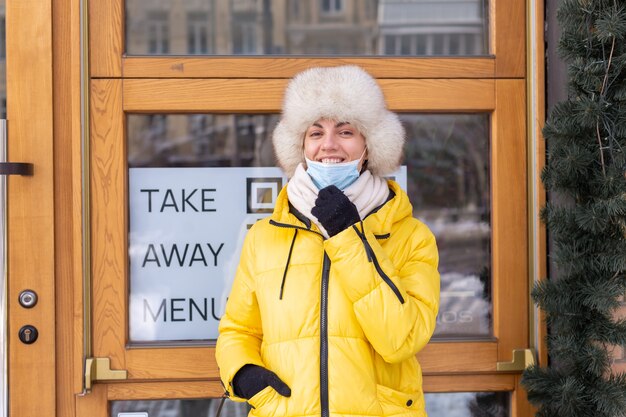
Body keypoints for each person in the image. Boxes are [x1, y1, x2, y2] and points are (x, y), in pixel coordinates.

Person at [216, 65, 440, 417]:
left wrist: (348, 236)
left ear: (369, 146)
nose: (329, 145)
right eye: (315, 132)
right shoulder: (263, 237)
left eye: (346, 131)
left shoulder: (412, 236)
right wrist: (242, 374)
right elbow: (237, 330)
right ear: (301, 146)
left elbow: (402, 339)